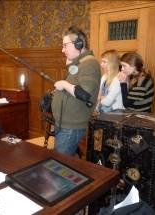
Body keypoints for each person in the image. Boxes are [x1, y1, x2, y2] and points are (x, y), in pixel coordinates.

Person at [51, 26, 101, 156]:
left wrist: (64, 84)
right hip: (65, 123)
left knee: (59, 163)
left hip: (71, 127)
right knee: (66, 161)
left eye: (65, 45)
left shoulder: (90, 63)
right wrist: (69, 66)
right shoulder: (81, 63)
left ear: (79, 44)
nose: (63, 50)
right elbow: (76, 82)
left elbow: (85, 93)